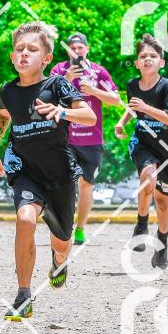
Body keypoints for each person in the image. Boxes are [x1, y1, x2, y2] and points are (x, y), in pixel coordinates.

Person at [0, 21, 96, 321]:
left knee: (62, 243)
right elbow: (3, 115)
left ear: (46, 58)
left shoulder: (57, 85)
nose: (24, 54)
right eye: (19, 49)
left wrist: (63, 111)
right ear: (12, 57)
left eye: (32, 49)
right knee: (25, 220)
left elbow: (88, 116)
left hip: (59, 176)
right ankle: (23, 296)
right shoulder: (8, 91)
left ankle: (59, 262)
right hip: (25, 170)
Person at [114, 33, 168, 269]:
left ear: (161, 62)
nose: (148, 59)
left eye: (153, 56)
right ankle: (141, 225)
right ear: (137, 63)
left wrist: (145, 107)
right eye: (143, 56)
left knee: (162, 201)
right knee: (147, 177)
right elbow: (133, 108)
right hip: (142, 144)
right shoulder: (133, 85)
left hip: (167, 150)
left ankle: (162, 245)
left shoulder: (167, 87)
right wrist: (122, 121)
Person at [50, 31, 120, 245]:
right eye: (72, 48)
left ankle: (80, 228)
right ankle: (64, 225)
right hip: (66, 138)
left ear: (87, 49)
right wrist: (67, 79)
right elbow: (47, 96)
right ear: (67, 51)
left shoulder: (98, 72)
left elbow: (116, 99)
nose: (77, 51)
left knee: (86, 185)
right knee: (66, 182)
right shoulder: (59, 70)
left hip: (92, 140)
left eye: (80, 47)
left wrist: (94, 91)